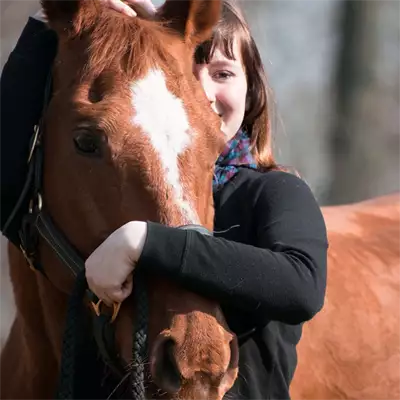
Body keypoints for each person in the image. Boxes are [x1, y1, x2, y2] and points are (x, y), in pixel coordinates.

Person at [0, 0, 328, 399]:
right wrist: (44, 21)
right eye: (188, 71)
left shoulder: (273, 190)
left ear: (252, 86)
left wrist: (146, 243)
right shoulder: (133, 182)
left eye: (223, 73)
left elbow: (302, 286)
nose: (203, 90)